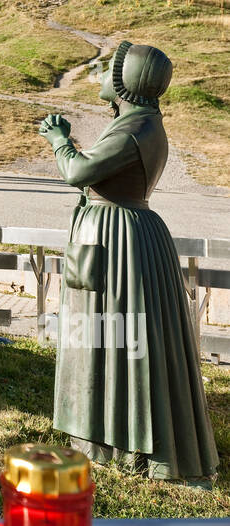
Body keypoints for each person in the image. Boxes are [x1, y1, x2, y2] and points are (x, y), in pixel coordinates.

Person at [40, 40, 217, 484]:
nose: (100, 76)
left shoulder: (134, 128)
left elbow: (78, 173)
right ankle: (108, 431)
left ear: (124, 83)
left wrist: (61, 141)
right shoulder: (142, 122)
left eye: (107, 70)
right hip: (128, 233)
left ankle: (114, 437)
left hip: (114, 238)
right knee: (119, 335)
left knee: (112, 333)